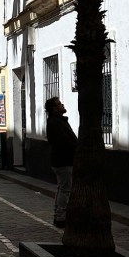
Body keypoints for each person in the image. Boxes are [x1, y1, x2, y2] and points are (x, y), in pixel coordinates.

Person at [45, 96, 78, 228]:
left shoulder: (57, 121)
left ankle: (59, 215)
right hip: (64, 160)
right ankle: (61, 217)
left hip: (62, 160)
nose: (62, 105)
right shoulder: (55, 123)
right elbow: (64, 142)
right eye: (59, 104)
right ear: (54, 109)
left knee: (62, 189)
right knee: (65, 190)